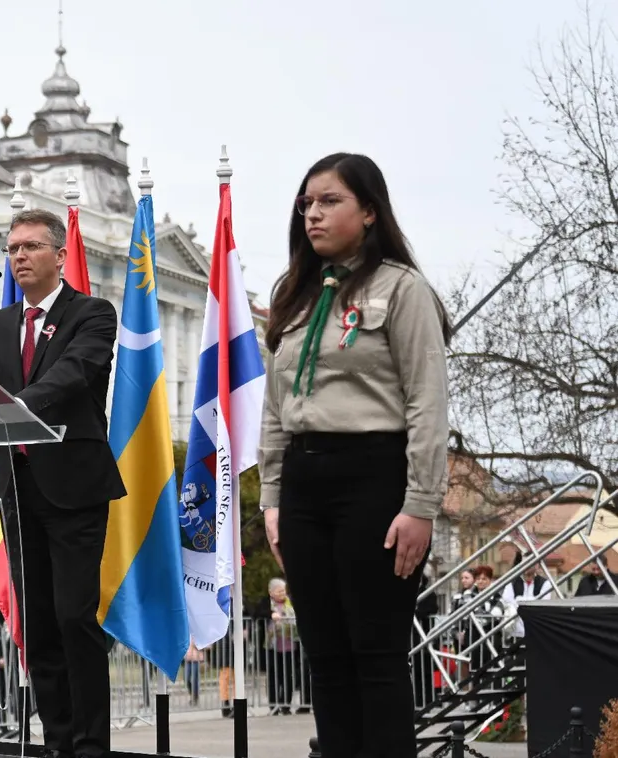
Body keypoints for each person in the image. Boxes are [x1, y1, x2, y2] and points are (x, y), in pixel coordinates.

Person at [260, 152, 450, 758]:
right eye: (306, 203)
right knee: (326, 658)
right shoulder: (293, 294)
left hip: (375, 476)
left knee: (376, 656)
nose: (313, 213)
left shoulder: (402, 289)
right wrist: (270, 496)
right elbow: (275, 406)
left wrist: (421, 503)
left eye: (329, 201)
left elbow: (427, 401)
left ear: (369, 211)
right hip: (303, 484)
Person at [0, 207, 126, 758]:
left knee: (72, 618)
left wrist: (16, 405)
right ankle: (58, 742)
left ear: (60, 256)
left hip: (74, 489)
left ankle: (90, 746)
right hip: (17, 486)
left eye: (30, 247)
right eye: (12, 248)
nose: (18, 257)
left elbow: (73, 375)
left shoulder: (93, 313)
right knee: (36, 624)